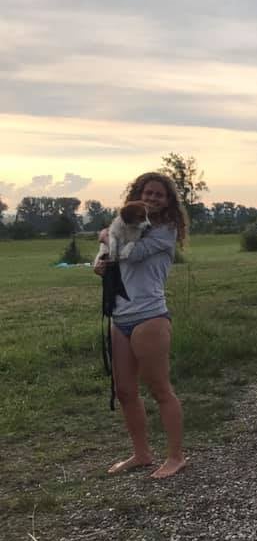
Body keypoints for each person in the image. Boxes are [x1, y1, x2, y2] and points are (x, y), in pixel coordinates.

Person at [93, 172, 188, 479]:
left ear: (168, 201)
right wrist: (99, 262)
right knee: (124, 391)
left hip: (150, 316)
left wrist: (107, 237)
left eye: (159, 194)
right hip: (120, 316)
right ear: (138, 195)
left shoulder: (166, 231)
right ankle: (141, 454)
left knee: (160, 389)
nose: (152, 198)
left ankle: (175, 457)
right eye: (147, 193)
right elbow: (107, 259)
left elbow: (131, 254)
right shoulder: (124, 226)